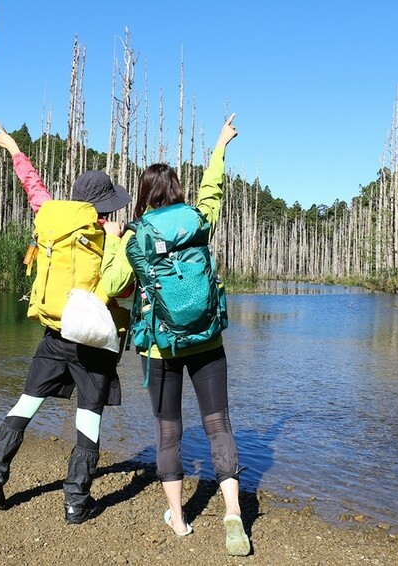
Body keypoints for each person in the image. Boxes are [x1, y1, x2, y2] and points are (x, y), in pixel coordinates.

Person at [99, 114, 250, 556]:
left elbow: (112, 286)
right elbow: (212, 192)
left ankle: (180, 521)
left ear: (145, 196)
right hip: (207, 338)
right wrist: (220, 146)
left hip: (159, 347)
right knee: (218, 425)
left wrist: (114, 239)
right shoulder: (199, 222)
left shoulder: (137, 235)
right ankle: (233, 516)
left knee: (169, 433)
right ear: (178, 192)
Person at [0, 121, 132, 524]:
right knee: (89, 415)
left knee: (27, 401)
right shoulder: (107, 235)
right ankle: (75, 501)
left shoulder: (49, 215)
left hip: (55, 332)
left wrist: (13, 147)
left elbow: (33, 184)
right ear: (105, 205)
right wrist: (116, 240)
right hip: (94, 340)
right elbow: (121, 288)